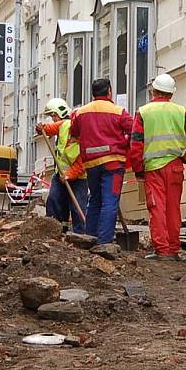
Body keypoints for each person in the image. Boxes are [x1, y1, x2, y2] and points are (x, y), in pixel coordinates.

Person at [130, 74, 186, 260]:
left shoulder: (143, 112)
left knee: (157, 208)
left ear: (153, 91)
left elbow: (136, 144)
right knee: (173, 208)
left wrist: (138, 169)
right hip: (175, 166)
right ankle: (173, 248)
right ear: (171, 93)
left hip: (153, 168)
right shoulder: (181, 112)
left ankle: (162, 250)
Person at [70, 78, 133, 249]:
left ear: (92, 93)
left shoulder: (80, 113)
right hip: (113, 163)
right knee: (110, 201)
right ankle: (104, 241)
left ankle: (90, 237)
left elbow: (74, 133)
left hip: (91, 164)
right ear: (109, 91)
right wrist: (125, 145)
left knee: (95, 200)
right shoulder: (119, 111)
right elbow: (134, 132)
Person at [36, 98, 88, 234]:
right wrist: (42, 128)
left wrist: (70, 175)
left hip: (79, 178)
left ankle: (80, 234)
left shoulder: (86, 136)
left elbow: (82, 163)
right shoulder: (64, 125)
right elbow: (48, 129)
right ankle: (55, 229)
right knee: (54, 199)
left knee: (78, 207)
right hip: (60, 175)